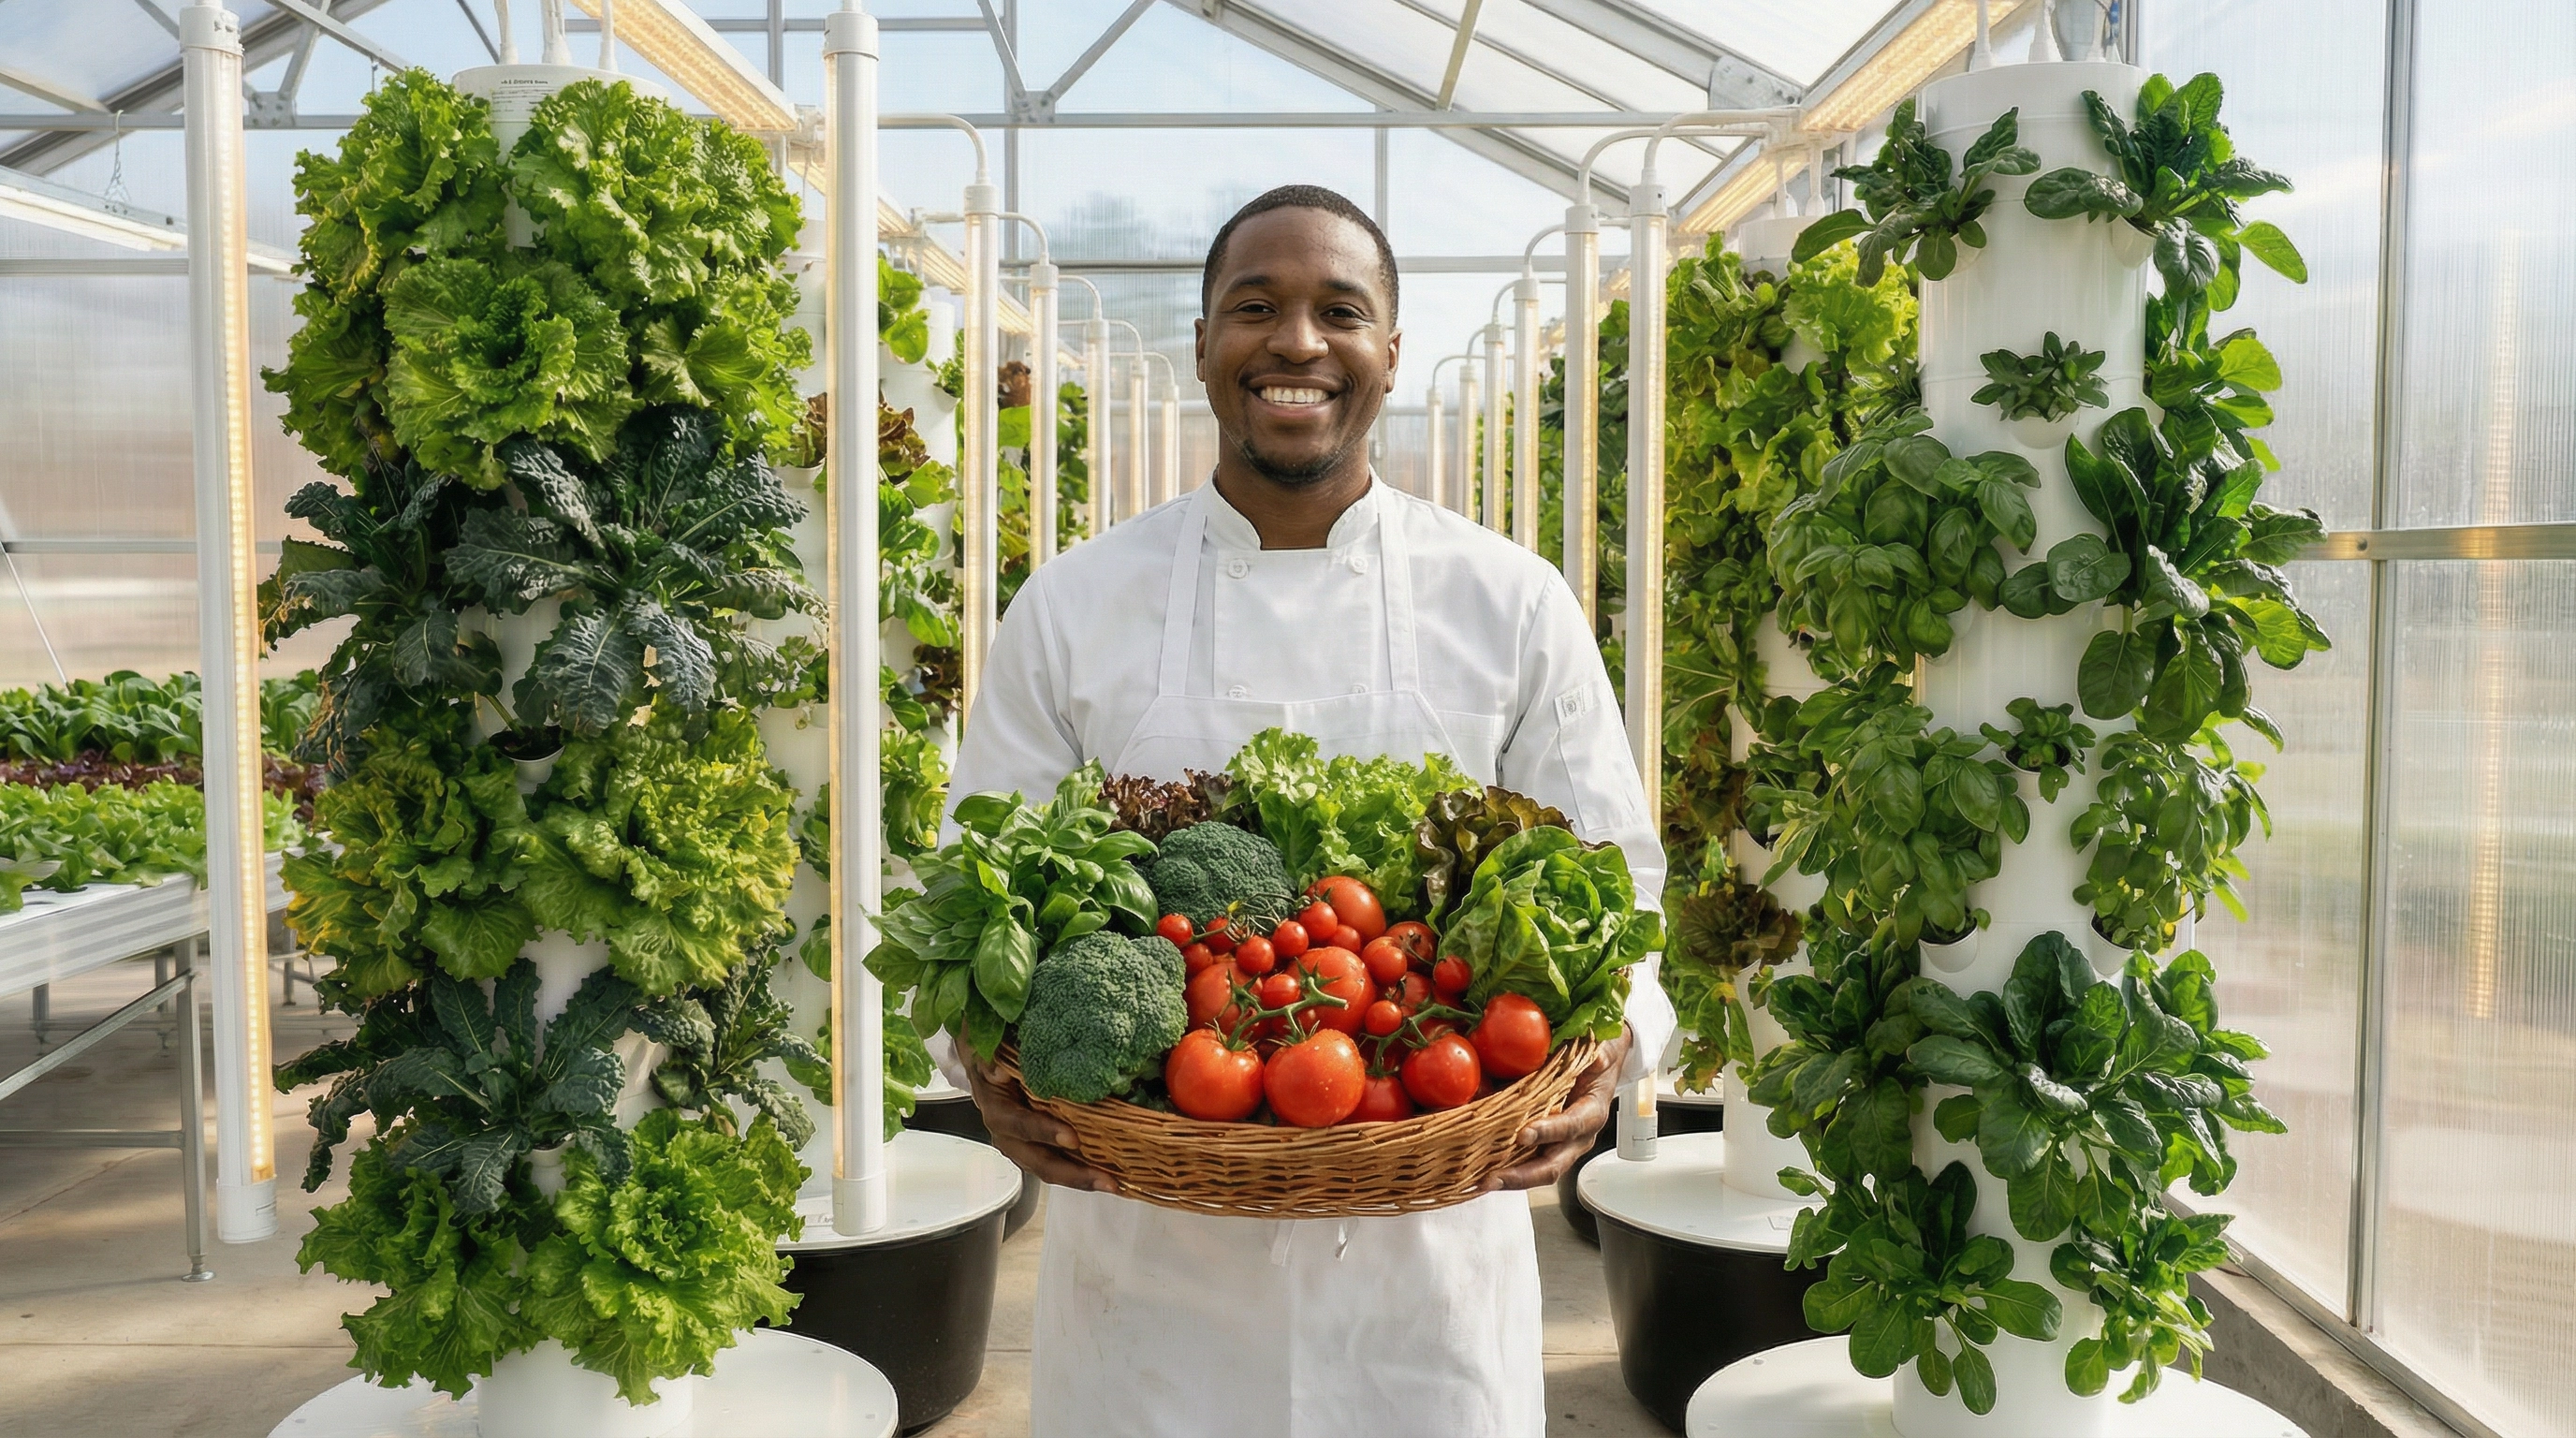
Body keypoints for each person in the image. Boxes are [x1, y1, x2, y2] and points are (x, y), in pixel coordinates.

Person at [946, 183, 1672, 1438]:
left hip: (1427, 1280)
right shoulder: (1073, 604)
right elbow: (968, 885)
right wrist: (980, 1061)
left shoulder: (1511, 600)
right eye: (1254, 308)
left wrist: (1612, 1064)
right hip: (1149, 1282)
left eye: (1340, 310)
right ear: (1203, 348)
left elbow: (1623, 879)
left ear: (1392, 351)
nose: (1296, 344)